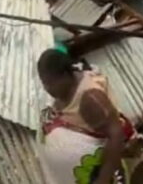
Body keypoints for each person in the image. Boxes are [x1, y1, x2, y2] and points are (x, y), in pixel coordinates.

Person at [37, 49, 136, 184]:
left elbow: (117, 135)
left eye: (50, 83)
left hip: (100, 171)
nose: (47, 88)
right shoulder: (63, 92)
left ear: (65, 75)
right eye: (44, 83)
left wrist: (102, 179)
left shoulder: (90, 99)